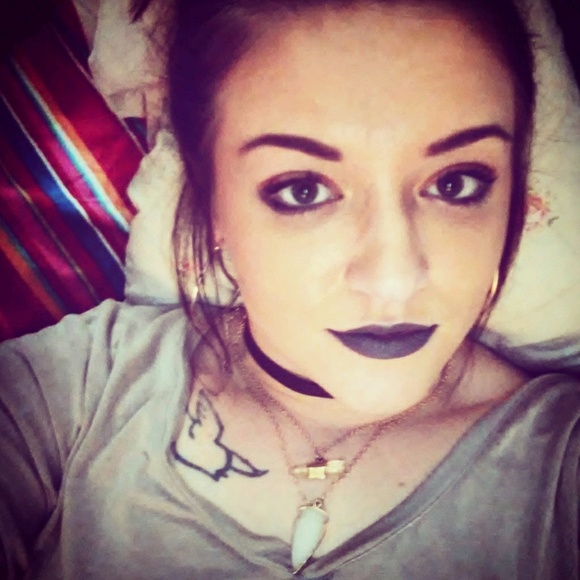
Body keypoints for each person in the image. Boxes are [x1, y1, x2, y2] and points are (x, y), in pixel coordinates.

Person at [1, 0, 579, 577]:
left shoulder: (558, 463)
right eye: (304, 190)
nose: (394, 279)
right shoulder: (83, 388)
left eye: (457, 183)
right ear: (211, 207)